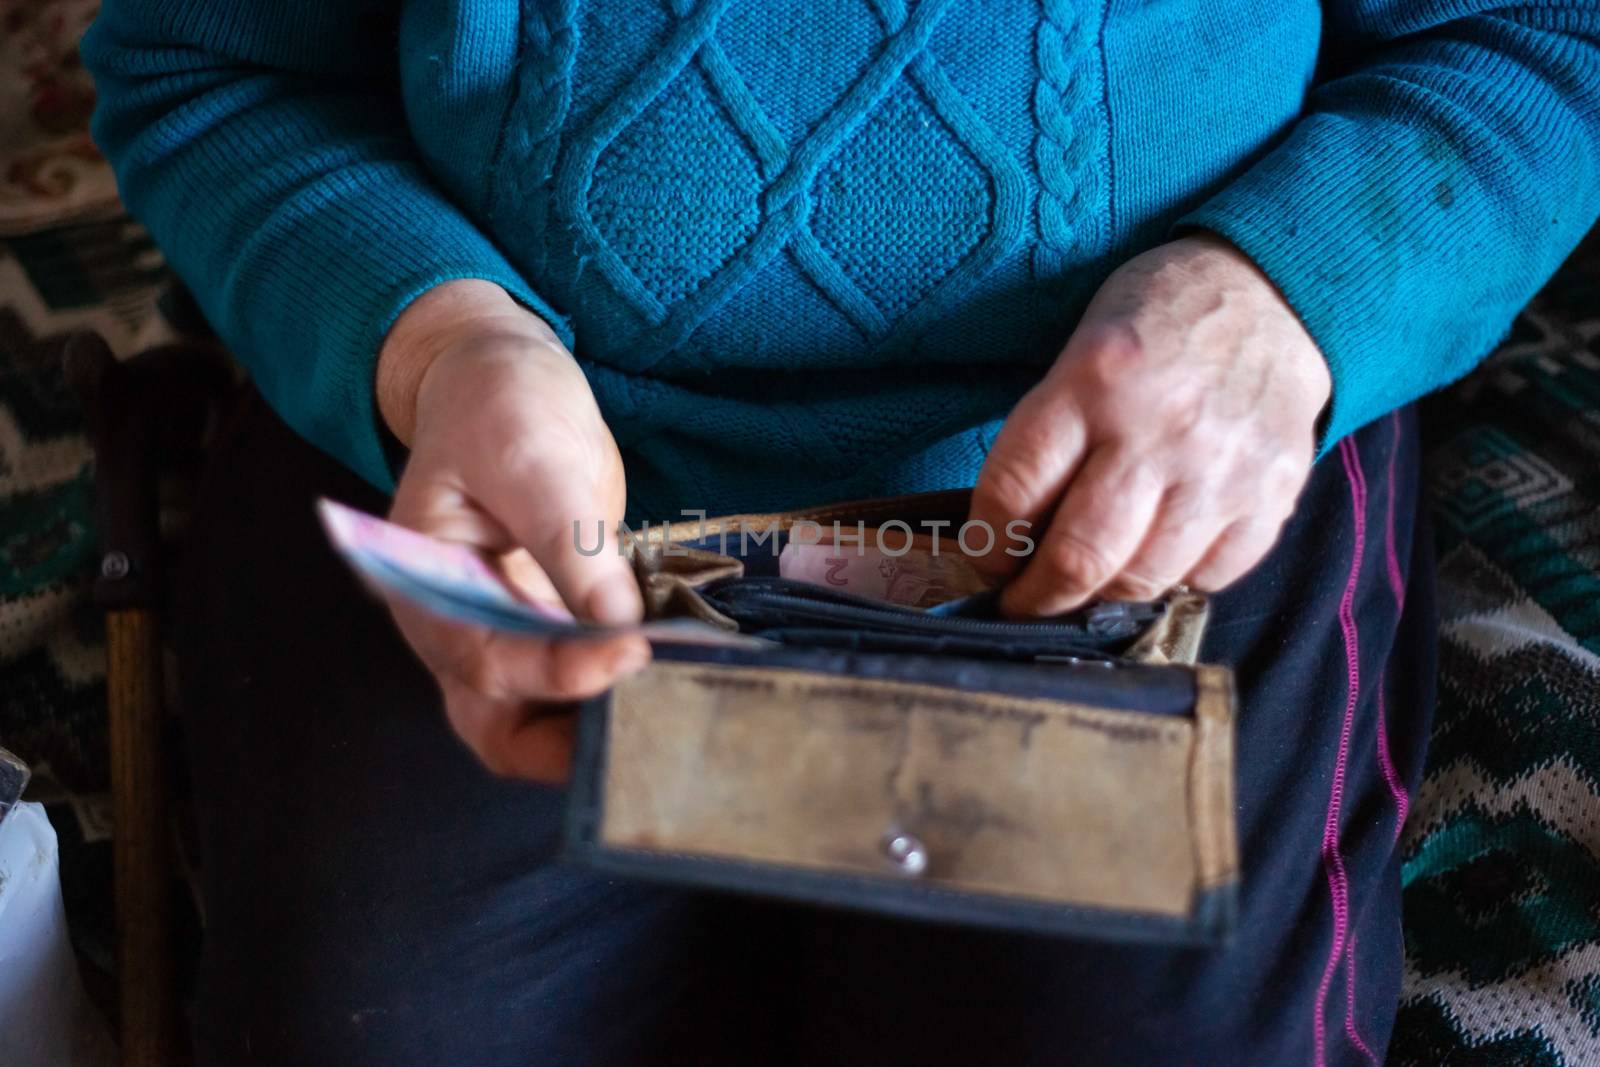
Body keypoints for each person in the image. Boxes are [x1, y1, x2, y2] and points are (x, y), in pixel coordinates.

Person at [83, 1, 1599, 1063]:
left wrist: (1282, 300)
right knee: (378, 1032)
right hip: (504, 444)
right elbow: (209, 69)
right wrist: (438, 344)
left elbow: (1542, 35)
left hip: (1154, 451)